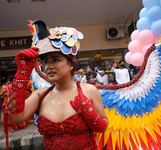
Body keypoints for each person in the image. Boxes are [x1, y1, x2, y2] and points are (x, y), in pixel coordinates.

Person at [1, 20, 108, 150]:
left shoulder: (89, 91)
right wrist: (22, 75)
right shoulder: (41, 95)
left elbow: (103, 127)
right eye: (46, 61)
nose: (49, 66)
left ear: (70, 64)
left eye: (55, 60)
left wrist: (89, 113)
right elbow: (8, 121)